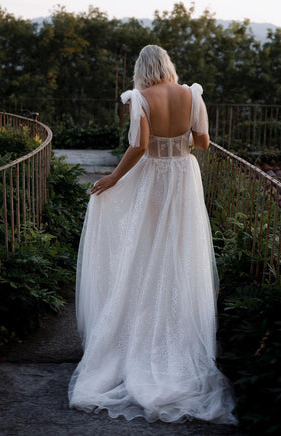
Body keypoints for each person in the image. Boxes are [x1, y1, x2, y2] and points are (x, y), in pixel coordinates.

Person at [68, 45, 238, 425]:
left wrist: (113, 178)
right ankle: (176, 331)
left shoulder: (140, 99)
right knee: (180, 248)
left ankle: (140, 324)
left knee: (145, 248)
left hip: (153, 179)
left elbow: (139, 146)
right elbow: (203, 142)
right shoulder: (192, 94)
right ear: (168, 66)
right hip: (183, 176)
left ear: (142, 69)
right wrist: (179, 141)